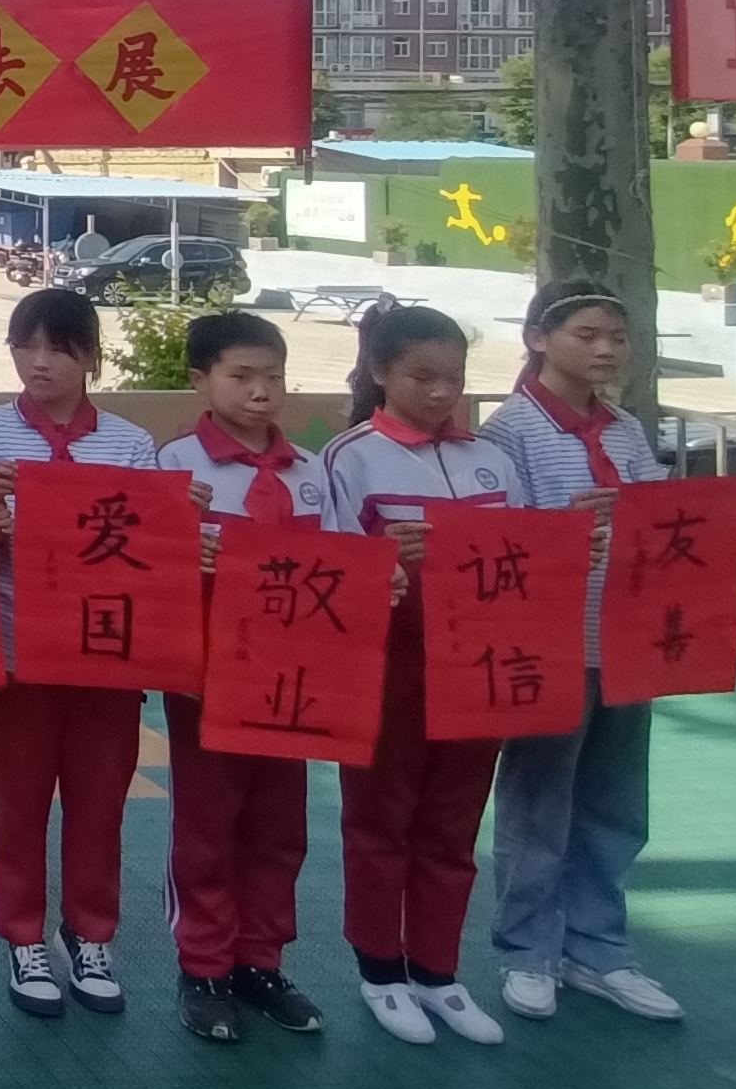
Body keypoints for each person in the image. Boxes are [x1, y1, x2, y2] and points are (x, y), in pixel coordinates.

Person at [484, 282, 682, 1026]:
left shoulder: (625, 430)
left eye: (617, 337)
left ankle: (599, 948)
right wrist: (563, 528)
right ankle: (528, 949)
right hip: (551, 644)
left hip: (630, 642)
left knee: (616, 803)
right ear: (539, 338)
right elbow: (498, 542)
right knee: (539, 803)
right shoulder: (509, 432)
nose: (605, 350)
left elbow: (659, 521)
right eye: (587, 335)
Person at [321, 303, 516, 1048]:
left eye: (454, 379)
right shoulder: (350, 458)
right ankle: (380, 971)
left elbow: (525, 559)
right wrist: (382, 563)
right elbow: (330, 569)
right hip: (388, 669)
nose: (440, 393)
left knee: (454, 824)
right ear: (379, 372)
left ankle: (438, 971)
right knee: (381, 820)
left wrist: (577, 545)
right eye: (421, 377)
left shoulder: (491, 459)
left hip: (477, 668)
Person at [0, 287, 159, 1019]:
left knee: (100, 802)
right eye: (26, 346)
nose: (39, 362)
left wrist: (179, 519)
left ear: (91, 357)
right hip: (16, 650)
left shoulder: (130, 445)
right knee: (19, 801)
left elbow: (149, 548)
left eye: (59, 348)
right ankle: (23, 937)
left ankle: (90, 934)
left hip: (106, 655)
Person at [154, 311, 329, 1047]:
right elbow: (144, 569)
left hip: (292, 682)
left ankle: (262, 960)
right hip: (207, 676)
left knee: (280, 826)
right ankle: (204, 967)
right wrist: (182, 553)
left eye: (274, 377)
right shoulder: (175, 466)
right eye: (242, 376)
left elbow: (342, 566)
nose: (262, 392)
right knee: (207, 825)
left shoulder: (311, 471)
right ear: (201, 380)